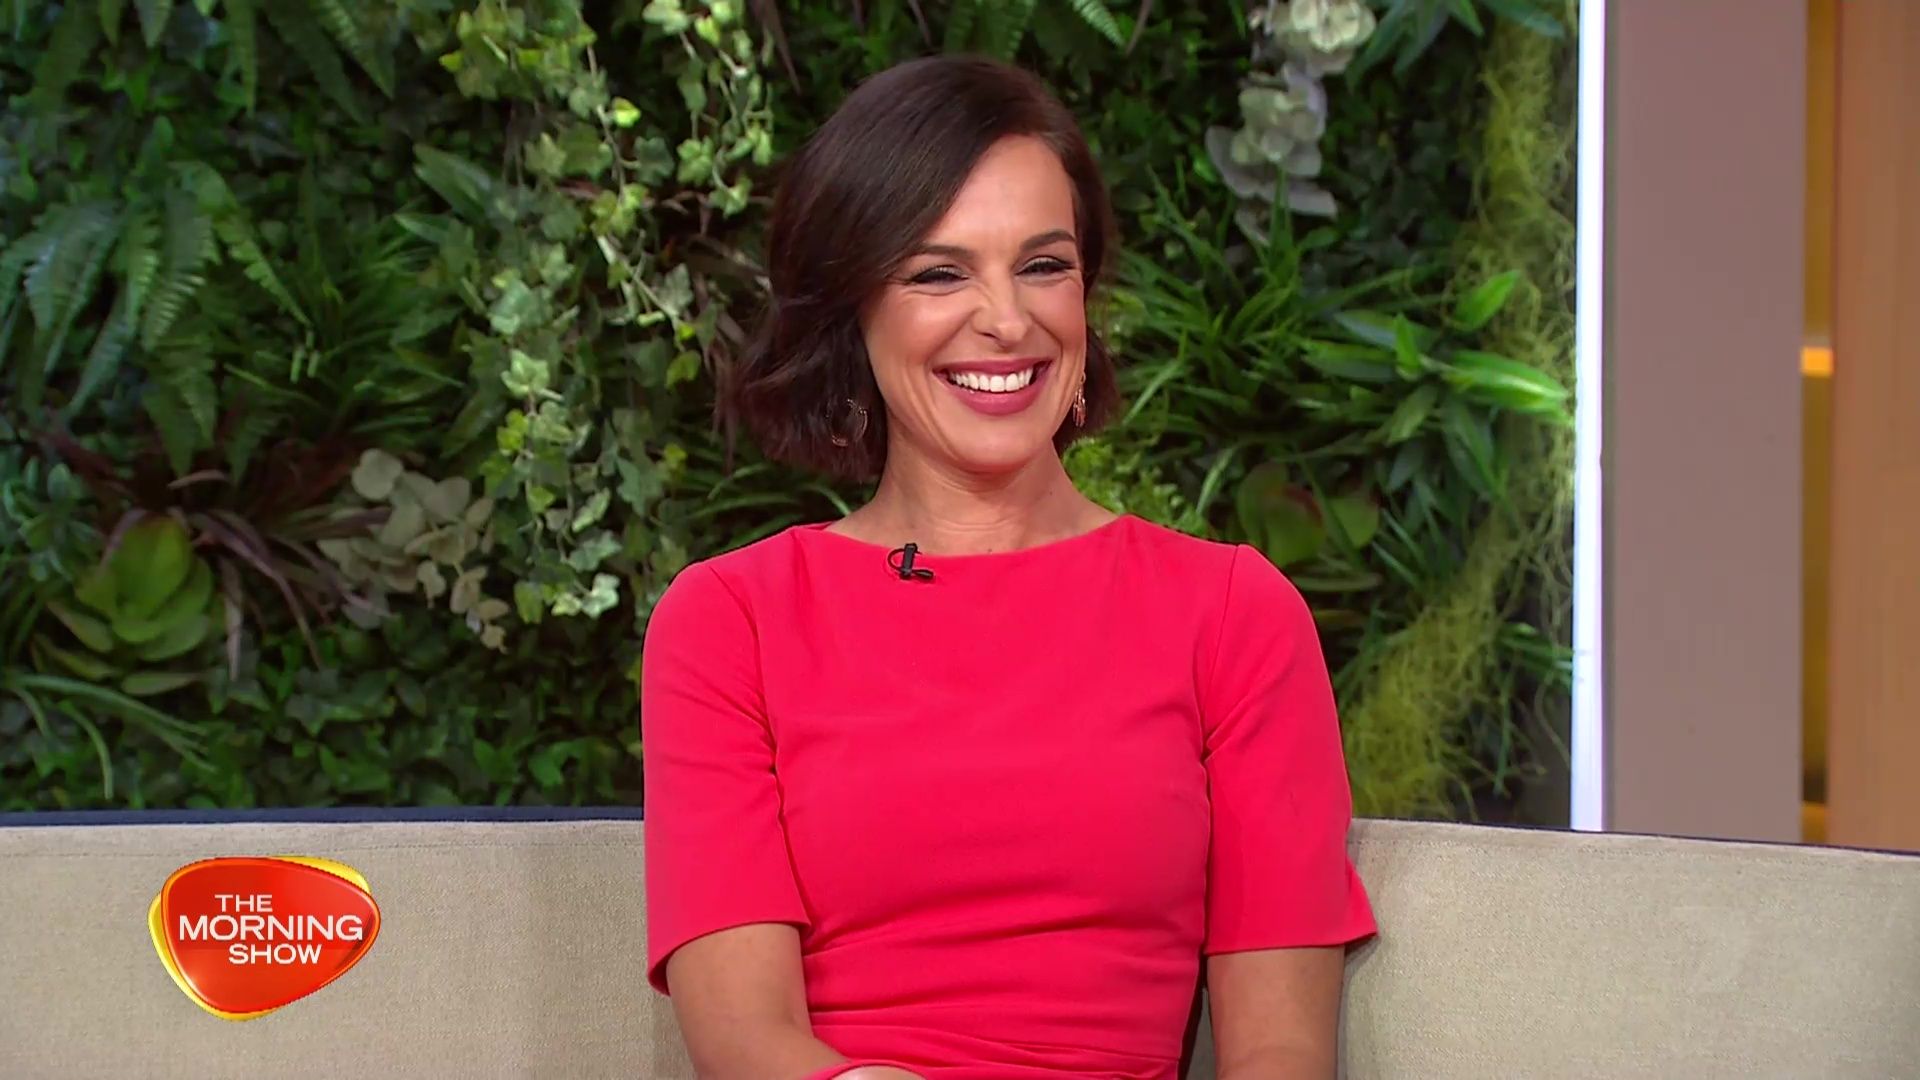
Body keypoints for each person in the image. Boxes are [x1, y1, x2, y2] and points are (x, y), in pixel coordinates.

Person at [640, 54, 1376, 1080]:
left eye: (1044, 266)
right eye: (938, 273)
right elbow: (746, 1042)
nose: (1007, 320)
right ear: (854, 308)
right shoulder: (732, 619)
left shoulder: (1232, 614)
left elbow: (1281, 1056)